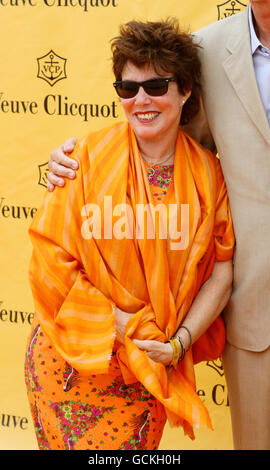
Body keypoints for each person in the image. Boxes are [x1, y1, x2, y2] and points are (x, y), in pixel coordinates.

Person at [47, 2, 270, 450]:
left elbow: (219, 260)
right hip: (80, 358)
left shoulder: (205, 176)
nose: (141, 98)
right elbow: (52, 261)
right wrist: (66, 164)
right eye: (128, 88)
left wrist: (176, 341)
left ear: (185, 90)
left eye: (155, 85)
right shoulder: (90, 161)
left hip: (150, 354)